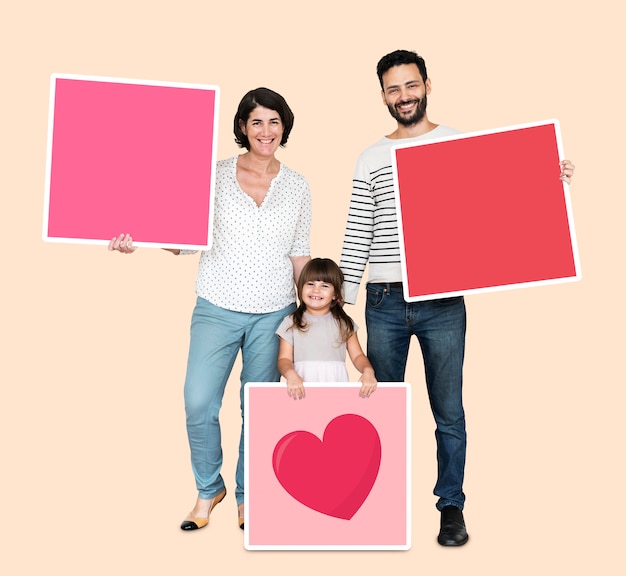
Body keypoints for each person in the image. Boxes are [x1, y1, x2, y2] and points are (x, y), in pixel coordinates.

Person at [339, 49, 575, 546]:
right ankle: (379, 503)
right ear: (382, 95)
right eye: (392, 89)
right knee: (380, 406)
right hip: (383, 300)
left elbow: (499, 206)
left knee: (448, 409)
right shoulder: (369, 158)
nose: (403, 96)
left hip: (443, 301)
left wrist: (547, 181)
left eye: (410, 85)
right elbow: (357, 234)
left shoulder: (457, 144)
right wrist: (339, 308)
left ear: (426, 84)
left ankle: (451, 506)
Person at [109, 87, 312, 532]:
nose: (266, 130)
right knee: (198, 403)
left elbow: (299, 254)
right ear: (242, 127)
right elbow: (181, 240)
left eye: (274, 121)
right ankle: (208, 488)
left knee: (257, 409)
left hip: (274, 314)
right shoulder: (213, 175)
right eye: (256, 121)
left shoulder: (298, 186)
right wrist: (135, 236)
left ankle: (248, 495)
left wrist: (314, 314)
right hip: (216, 308)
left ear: (284, 127)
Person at [276, 257, 377, 400]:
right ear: (301, 287)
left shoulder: (344, 323)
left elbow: (358, 356)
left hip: (336, 386)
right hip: (301, 389)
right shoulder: (291, 322)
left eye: (324, 286)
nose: (316, 290)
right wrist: (290, 375)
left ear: (335, 293)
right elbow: (284, 359)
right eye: (310, 284)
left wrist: (368, 371)